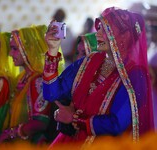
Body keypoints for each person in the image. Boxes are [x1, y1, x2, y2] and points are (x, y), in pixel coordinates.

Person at [43, 7, 154, 148]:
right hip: (70, 142)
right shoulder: (89, 61)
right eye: (99, 28)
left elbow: (117, 123)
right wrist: (52, 51)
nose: (97, 34)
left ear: (124, 36)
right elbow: (51, 93)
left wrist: (74, 119)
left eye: (105, 29)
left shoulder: (135, 75)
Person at [0, 25, 64, 144]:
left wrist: (12, 133)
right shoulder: (21, 77)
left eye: (14, 48)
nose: (10, 53)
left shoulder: (38, 80)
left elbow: (40, 122)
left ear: (27, 49)